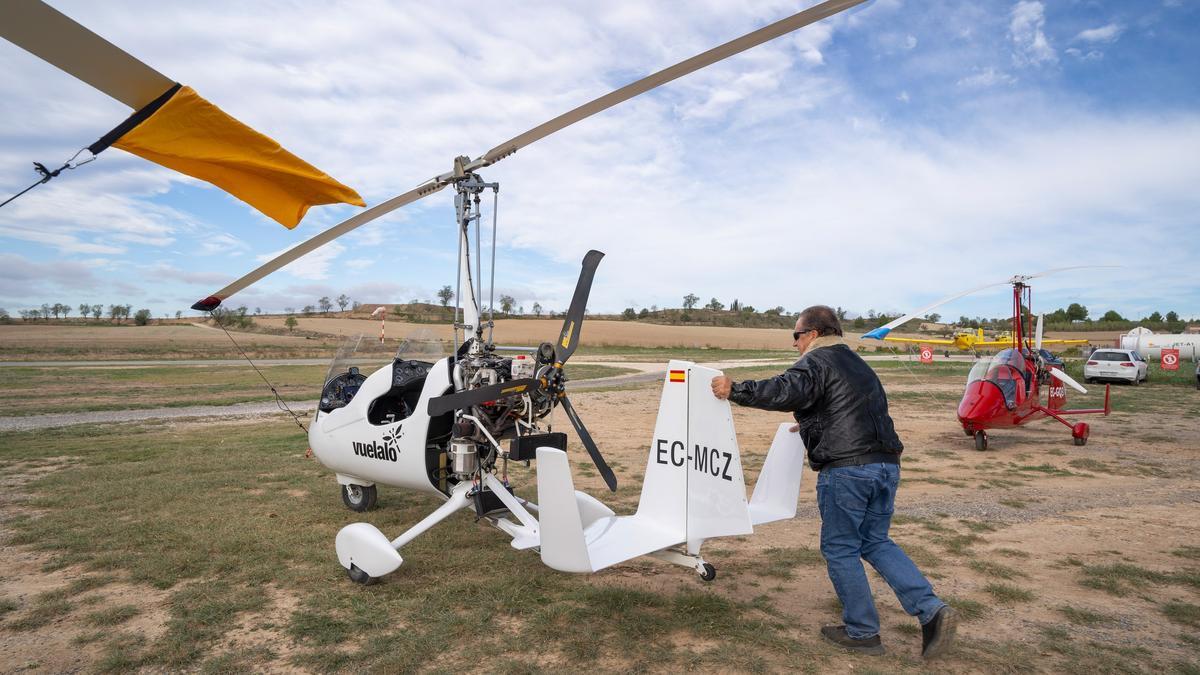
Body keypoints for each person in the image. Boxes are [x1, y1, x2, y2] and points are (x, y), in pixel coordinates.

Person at [711, 305, 955, 659]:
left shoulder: (816, 361)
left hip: (847, 470)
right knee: (875, 542)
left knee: (840, 548)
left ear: (812, 334)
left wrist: (736, 389)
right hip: (886, 465)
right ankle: (931, 609)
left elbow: (784, 390)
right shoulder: (860, 365)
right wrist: (811, 422)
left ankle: (862, 632)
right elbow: (847, 407)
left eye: (796, 336)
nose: (794, 344)